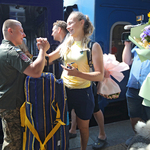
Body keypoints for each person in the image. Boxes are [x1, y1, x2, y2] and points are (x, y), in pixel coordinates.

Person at [40, 11, 104, 150]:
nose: (68, 26)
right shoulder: (66, 44)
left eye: (70, 23)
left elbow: (99, 76)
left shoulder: (93, 46)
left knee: (83, 127)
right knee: (60, 124)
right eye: (67, 23)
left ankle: (83, 148)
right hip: (64, 91)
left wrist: (78, 74)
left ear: (81, 23)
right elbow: (47, 60)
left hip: (83, 93)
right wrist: (42, 50)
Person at [0, 19, 50, 150]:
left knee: (11, 138)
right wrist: (42, 50)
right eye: (21, 31)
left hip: (6, 101)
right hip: (11, 104)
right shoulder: (12, 52)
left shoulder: (3, 49)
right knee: (13, 143)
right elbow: (35, 71)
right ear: (10, 31)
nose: (24, 35)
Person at [122, 41, 150, 146]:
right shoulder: (139, 45)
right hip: (134, 86)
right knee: (134, 115)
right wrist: (127, 45)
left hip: (148, 87)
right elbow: (126, 61)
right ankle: (138, 137)